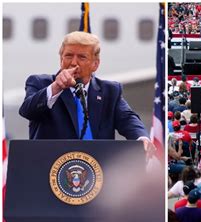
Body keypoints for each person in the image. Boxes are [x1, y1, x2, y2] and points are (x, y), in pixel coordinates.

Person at [19, 31, 155, 155]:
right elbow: (27, 111)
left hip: (97, 171)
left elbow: (128, 119)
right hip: (51, 169)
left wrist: (142, 139)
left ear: (95, 64)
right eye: (68, 56)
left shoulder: (110, 91)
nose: (73, 63)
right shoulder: (40, 83)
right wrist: (56, 87)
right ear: (61, 59)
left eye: (82, 57)